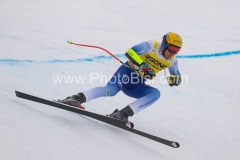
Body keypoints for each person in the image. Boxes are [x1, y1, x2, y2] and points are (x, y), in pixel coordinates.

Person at [59, 32, 182, 122]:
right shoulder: (151, 45)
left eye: (177, 51)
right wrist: (143, 65)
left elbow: (176, 75)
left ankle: (123, 114)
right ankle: (76, 99)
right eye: (172, 49)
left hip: (136, 84)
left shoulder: (172, 61)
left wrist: (175, 80)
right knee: (110, 90)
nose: (173, 53)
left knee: (155, 93)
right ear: (165, 44)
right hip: (126, 74)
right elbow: (130, 52)